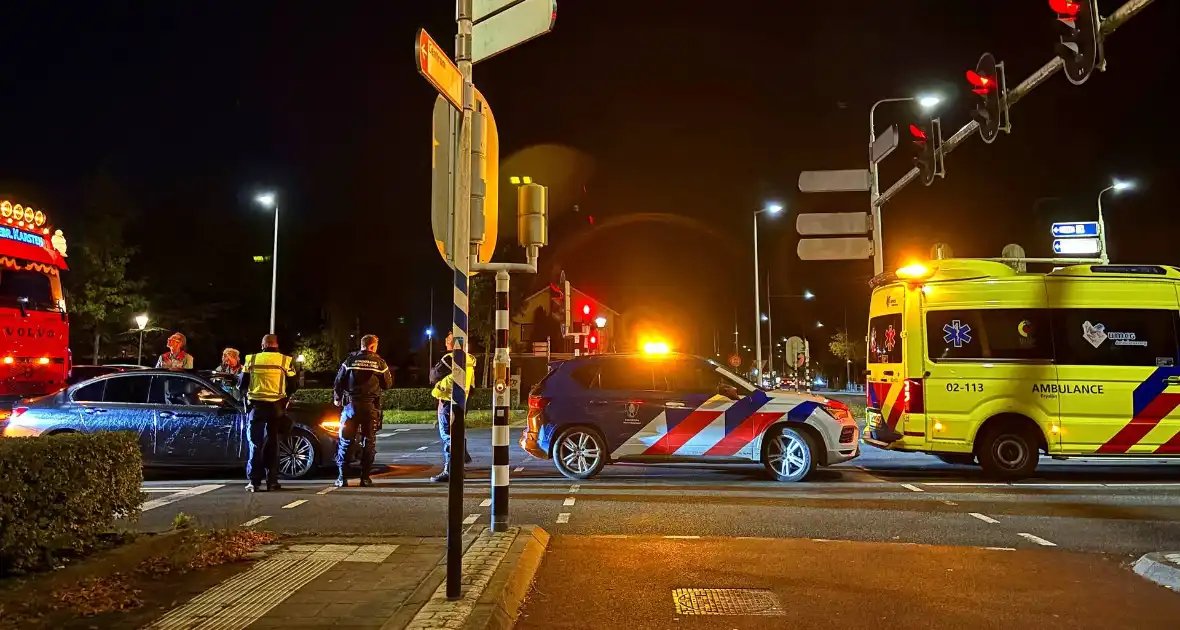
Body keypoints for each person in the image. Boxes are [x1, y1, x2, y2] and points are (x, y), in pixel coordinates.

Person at [238, 334, 296, 492]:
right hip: (276, 407)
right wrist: (285, 399)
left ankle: (254, 482)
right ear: (276, 344)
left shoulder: (251, 359)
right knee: (273, 442)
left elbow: (242, 384)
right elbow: (293, 385)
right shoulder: (285, 360)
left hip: (256, 406)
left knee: (255, 443)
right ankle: (272, 480)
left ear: (262, 345)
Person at [333, 334, 392, 487]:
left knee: (345, 441)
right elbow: (387, 384)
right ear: (373, 346)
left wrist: (337, 397)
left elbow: (339, 381)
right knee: (369, 442)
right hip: (370, 407)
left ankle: (342, 478)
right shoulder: (380, 363)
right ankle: (365, 478)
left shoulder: (350, 360)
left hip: (350, 406)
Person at [429, 331, 475, 483]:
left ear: (452, 343)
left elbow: (433, 376)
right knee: (458, 432)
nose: (445, 342)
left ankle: (450, 470)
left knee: (448, 435)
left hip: (447, 402)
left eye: (448, 340)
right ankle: (459, 466)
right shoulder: (469, 360)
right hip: (462, 402)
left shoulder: (449, 358)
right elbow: (473, 386)